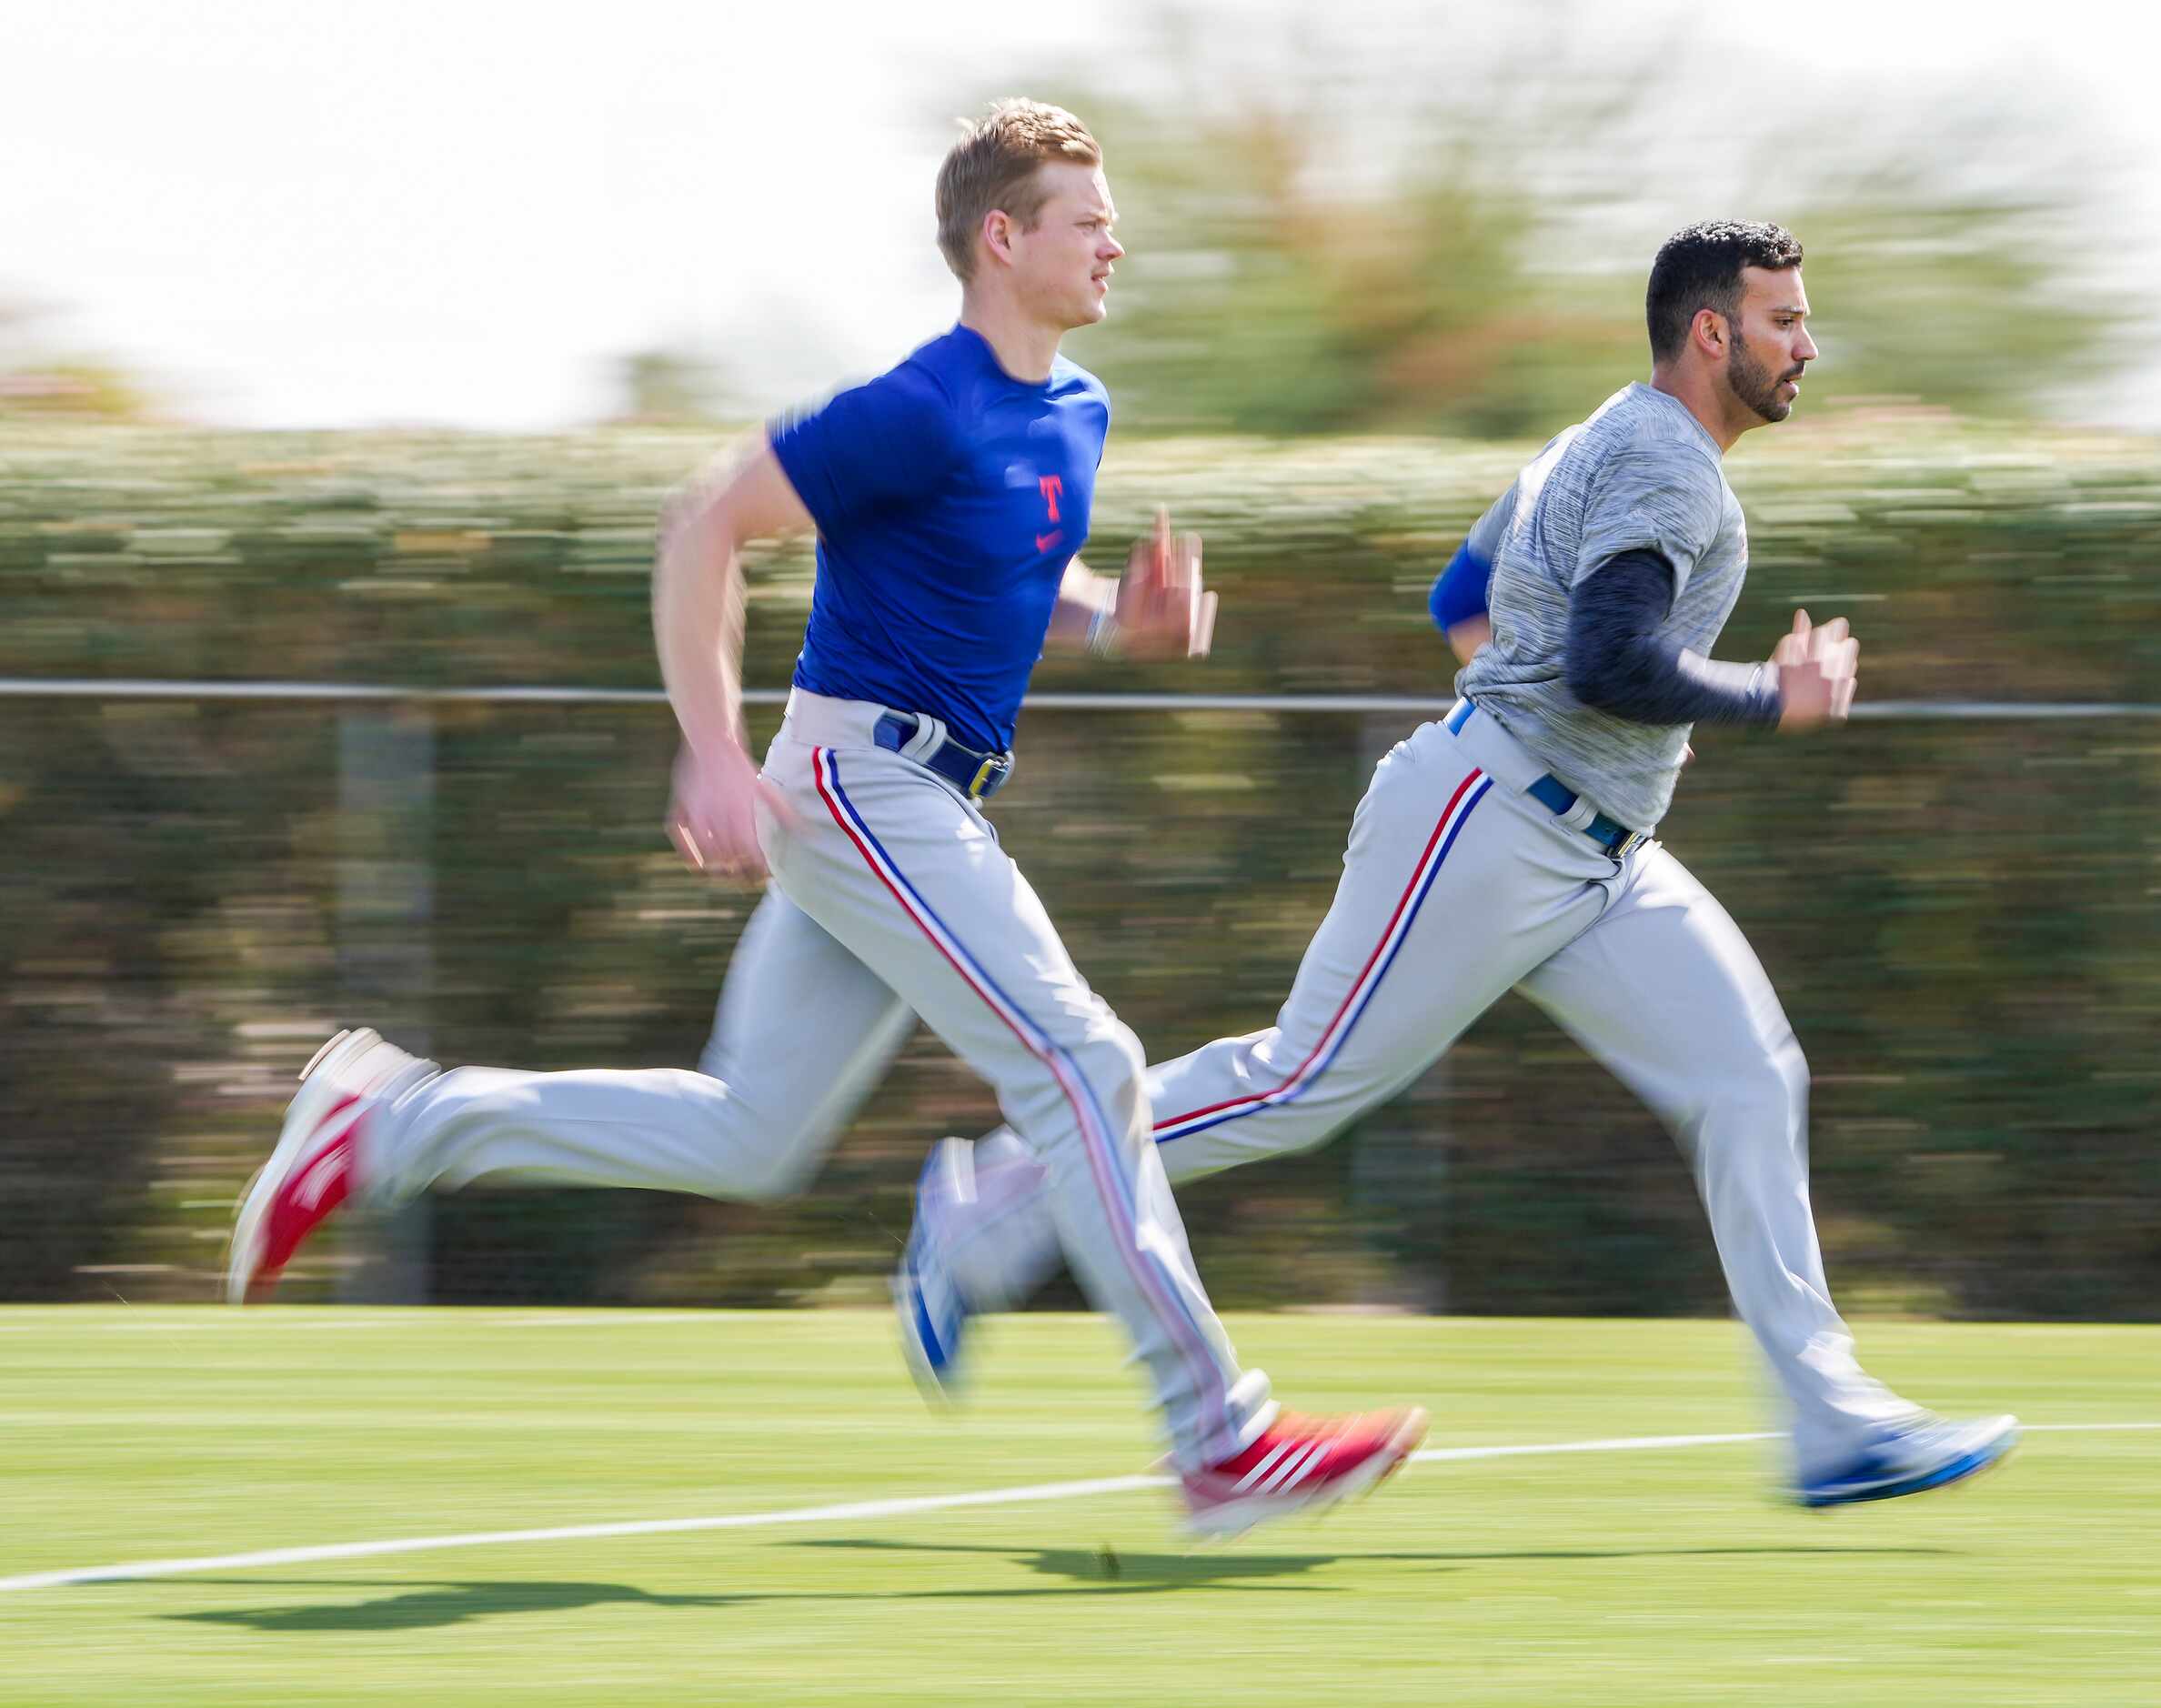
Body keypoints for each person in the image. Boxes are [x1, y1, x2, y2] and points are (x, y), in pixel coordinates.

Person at [226, 98, 1425, 1539]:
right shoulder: (913, 406)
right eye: (1088, 222)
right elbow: (703, 525)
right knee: (1086, 1059)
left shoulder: (1075, 411)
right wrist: (712, 752)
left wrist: (1124, 622)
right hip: (864, 787)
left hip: (916, 796)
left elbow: (1013, 575)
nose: (1119, 244)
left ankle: (387, 1122)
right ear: (1002, 237)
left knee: (752, 1134)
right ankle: (1219, 1438)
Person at [903, 220, 2016, 1509]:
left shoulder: (1603, 434)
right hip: (1495, 825)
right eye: (1785, 323)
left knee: (1749, 1077)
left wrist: (1538, 721)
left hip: (1591, 850)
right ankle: (995, 1204)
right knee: (1299, 1083)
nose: (1807, 345)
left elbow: (1461, 595)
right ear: (1712, 333)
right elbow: (1609, 659)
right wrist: (1772, 695)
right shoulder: (1668, 463)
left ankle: (1832, 1422)